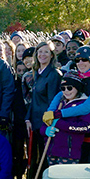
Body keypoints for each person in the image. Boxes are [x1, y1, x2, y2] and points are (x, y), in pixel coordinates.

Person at [44, 46, 90, 163]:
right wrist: (50, 111)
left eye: (84, 59)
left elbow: (86, 107)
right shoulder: (80, 77)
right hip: (84, 135)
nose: (80, 63)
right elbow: (61, 93)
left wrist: (57, 114)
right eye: (77, 60)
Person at [42, 73, 90, 164]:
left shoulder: (84, 104)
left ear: (77, 88)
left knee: (65, 177)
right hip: (51, 151)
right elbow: (44, 124)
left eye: (70, 88)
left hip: (69, 154)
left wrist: (59, 123)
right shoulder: (59, 103)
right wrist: (45, 130)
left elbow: (86, 127)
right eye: (63, 88)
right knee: (53, 177)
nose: (66, 91)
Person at [26, 41, 63, 169]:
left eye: (46, 52)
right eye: (40, 51)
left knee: (45, 158)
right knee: (35, 158)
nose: (42, 54)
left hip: (45, 124)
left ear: (52, 55)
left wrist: (48, 123)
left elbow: (53, 102)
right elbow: (33, 98)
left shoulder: (53, 74)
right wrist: (28, 117)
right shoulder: (37, 73)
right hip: (35, 122)